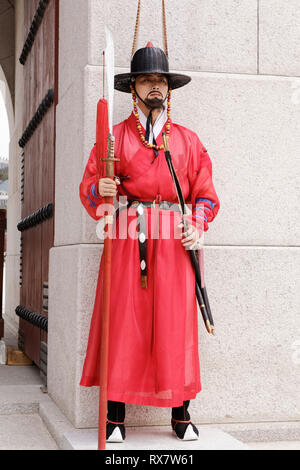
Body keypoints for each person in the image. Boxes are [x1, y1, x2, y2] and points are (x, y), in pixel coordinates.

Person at [79, 42, 220, 443]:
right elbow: (90, 186)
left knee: (176, 326)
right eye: (146, 79)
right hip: (129, 238)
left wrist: (197, 223)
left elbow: (206, 195)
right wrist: (101, 188)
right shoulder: (114, 138)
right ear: (133, 87)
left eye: (160, 80)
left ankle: (181, 414)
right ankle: (115, 416)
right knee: (125, 325)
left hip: (175, 241)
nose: (154, 86)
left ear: (168, 88)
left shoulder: (189, 141)